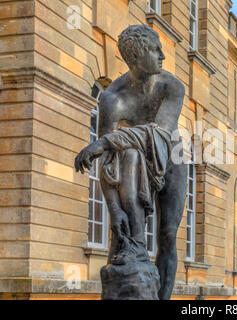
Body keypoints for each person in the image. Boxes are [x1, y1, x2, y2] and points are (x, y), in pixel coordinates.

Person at [74, 25, 187, 300]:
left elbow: (158, 133)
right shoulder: (112, 98)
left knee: (168, 235)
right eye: (154, 49)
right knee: (124, 231)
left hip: (171, 159)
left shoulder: (171, 86)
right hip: (132, 162)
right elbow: (108, 164)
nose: (163, 55)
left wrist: (103, 143)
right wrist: (114, 210)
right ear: (136, 57)